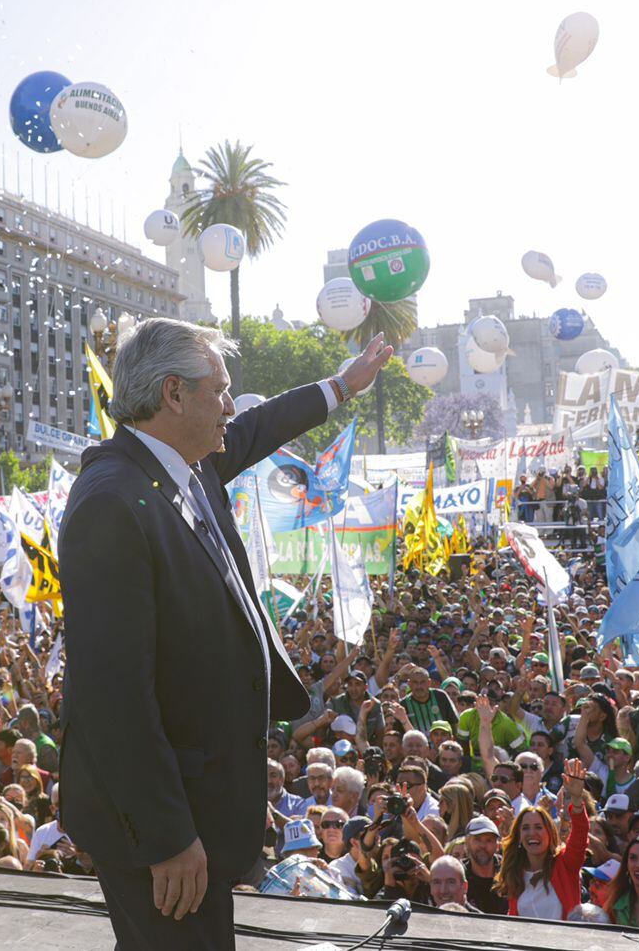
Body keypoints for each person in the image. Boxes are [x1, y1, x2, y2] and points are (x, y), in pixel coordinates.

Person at [58, 319, 392, 948]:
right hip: (157, 826)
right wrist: (167, 838)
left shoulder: (186, 462)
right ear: (174, 394)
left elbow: (258, 429)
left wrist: (342, 386)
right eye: (221, 390)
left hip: (195, 804)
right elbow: (114, 700)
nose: (232, 409)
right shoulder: (111, 501)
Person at [494, 757, 592, 918]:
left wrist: (576, 799)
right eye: (525, 828)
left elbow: (581, 831)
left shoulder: (565, 864)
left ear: (550, 833)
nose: (532, 833)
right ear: (518, 837)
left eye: (539, 827)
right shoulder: (515, 871)